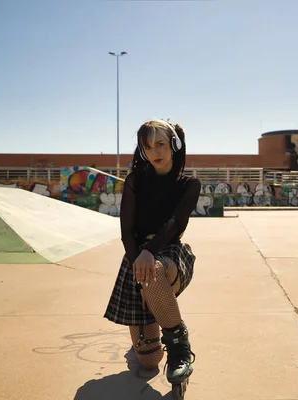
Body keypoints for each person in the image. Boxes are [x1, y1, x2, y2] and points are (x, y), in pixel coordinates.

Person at [104, 119, 201, 387]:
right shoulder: (135, 181)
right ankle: (154, 320)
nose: (154, 152)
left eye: (160, 144)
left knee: (155, 272)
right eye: (148, 146)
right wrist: (139, 258)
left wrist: (149, 252)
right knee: (149, 360)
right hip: (136, 258)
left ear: (174, 144)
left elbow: (176, 223)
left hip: (169, 254)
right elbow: (126, 230)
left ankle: (180, 349)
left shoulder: (189, 184)